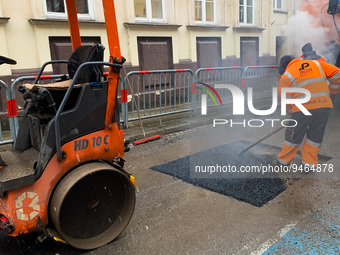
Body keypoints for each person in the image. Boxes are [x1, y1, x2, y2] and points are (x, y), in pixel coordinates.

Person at [277, 55, 340, 168]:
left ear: (284, 68)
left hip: (302, 109)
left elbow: (286, 101)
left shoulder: (286, 76)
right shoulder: (316, 64)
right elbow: (338, 75)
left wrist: (291, 113)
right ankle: (308, 164)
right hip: (323, 106)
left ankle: (283, 162)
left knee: (293, 135)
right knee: (315, 136)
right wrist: (332, 92)